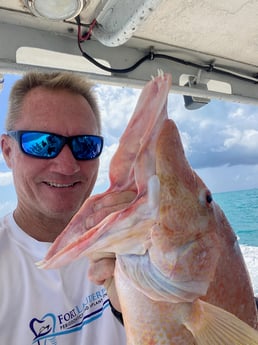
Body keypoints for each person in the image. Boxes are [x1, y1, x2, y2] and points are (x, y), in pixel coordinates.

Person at [0, 71, 134, 344]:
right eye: (42, 143)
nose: (67, 166)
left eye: (85, 146)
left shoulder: (130, 243)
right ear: (8, 151)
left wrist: (132, 311)